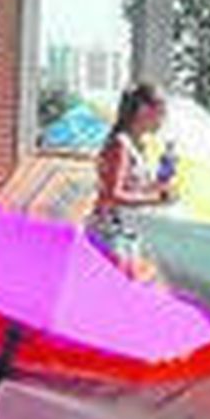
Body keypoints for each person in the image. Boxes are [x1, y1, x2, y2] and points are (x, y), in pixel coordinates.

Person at [87, 83, 176, 275]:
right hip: (111, 234)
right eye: (161, 113)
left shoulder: (136, 146)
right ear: (144, 111)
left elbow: (132, 188)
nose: (163, 120)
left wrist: (158, 185)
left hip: (127, 232)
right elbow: (114, 194)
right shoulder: (121, 145)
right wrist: (158, 199)